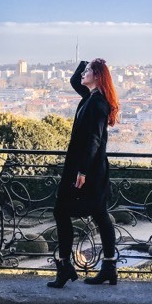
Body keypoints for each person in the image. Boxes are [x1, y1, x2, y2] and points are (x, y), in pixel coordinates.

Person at [48, 58, 121, 289]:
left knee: (63, 211)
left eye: (88, 71)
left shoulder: (98, 104)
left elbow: (94, 140)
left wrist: (82, 171)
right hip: (86, 169)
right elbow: (74, 80)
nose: (83, 74)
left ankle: (66, 266)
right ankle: (106, 268)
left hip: (87, 171)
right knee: (99, 215)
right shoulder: (89, 98)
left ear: (98, 77)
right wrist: (86, 62)